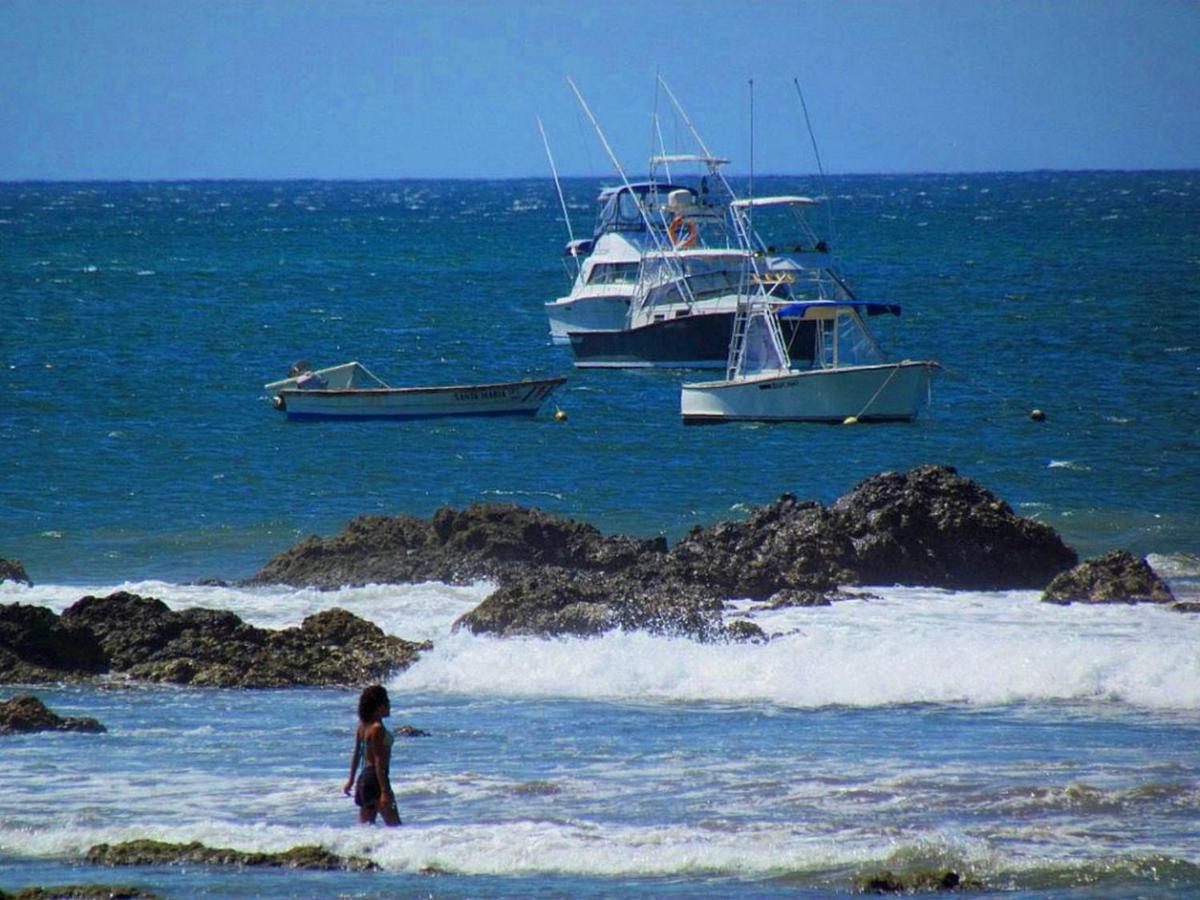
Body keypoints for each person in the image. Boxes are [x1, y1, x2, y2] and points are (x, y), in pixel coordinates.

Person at [343, 684, 401, 826]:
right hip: (376, 779)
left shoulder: (362, 726)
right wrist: (385, 791)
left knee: (365, 828)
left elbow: (357, 754)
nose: (389, 705)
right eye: (386, 702)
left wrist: (351, 780)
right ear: (378, 706)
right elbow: (378, 761)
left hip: (364, 779)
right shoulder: (377, 729)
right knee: (395, 827)